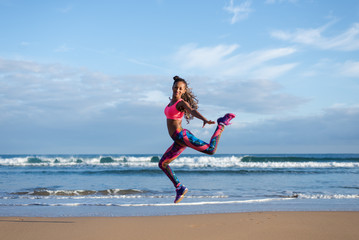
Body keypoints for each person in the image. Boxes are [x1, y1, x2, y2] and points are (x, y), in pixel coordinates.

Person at [159, 76, 235, 203]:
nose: (177, 90)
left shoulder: (181, 103)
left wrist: (204, 119)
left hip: (182, 136)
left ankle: (221, 124)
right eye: (176, 87)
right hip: (177, 141)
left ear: (183, 91)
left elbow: (192, 110)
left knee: (211, 150)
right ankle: (179, 188)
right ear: (172, 88)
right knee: (162, 164)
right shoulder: (170, 103)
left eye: (180, 88)